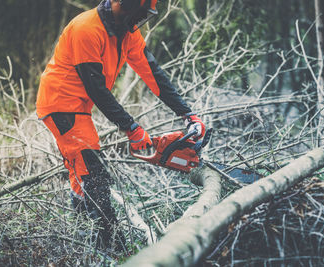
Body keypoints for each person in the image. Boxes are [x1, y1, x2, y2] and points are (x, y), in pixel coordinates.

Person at [36, 0, 205, 251]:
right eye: (138, 13)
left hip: (79, 106)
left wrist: (187, 113)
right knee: (94, 174)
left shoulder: (127, 33)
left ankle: (83, 236)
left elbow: (152, 72)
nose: (138, 19)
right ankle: (112, 246)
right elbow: (97, 89)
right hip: (61, 104)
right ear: (123, 5)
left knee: (82, 171)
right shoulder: (87, 28)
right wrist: (132, 128)